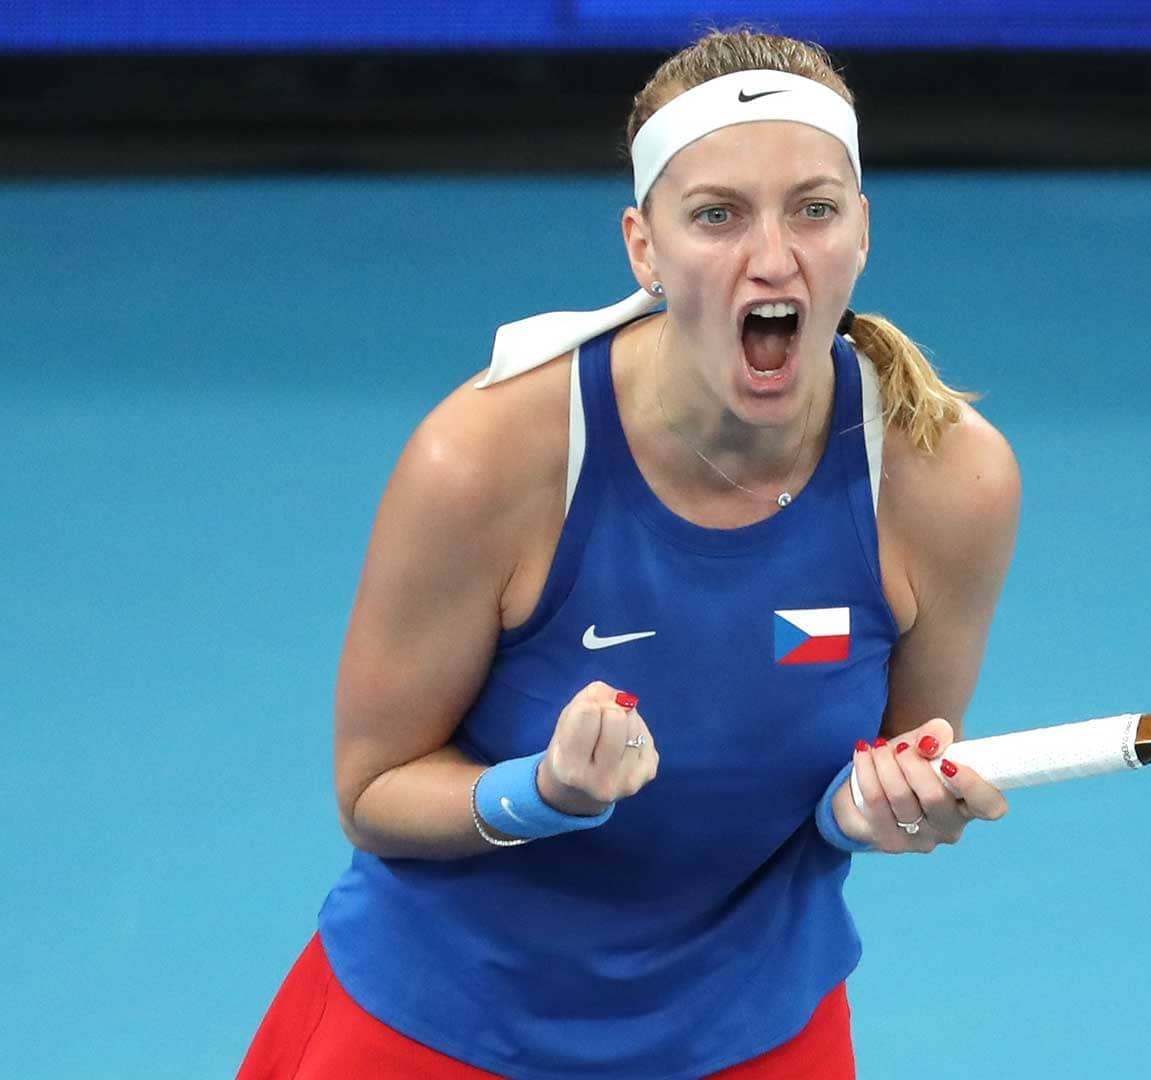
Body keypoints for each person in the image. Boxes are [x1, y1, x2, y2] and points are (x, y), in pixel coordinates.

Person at [237, 27, 1020, 1080]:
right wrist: (545, 793)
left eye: (815, 209)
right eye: (716, 215)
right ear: (642, 248)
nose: (774, 256)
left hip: (752, 1035)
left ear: (862, 233)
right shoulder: (484, 461)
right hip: (442, 1034)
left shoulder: (948, 479)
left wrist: (879, 809)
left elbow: (873, 773)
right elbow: (374, 790)